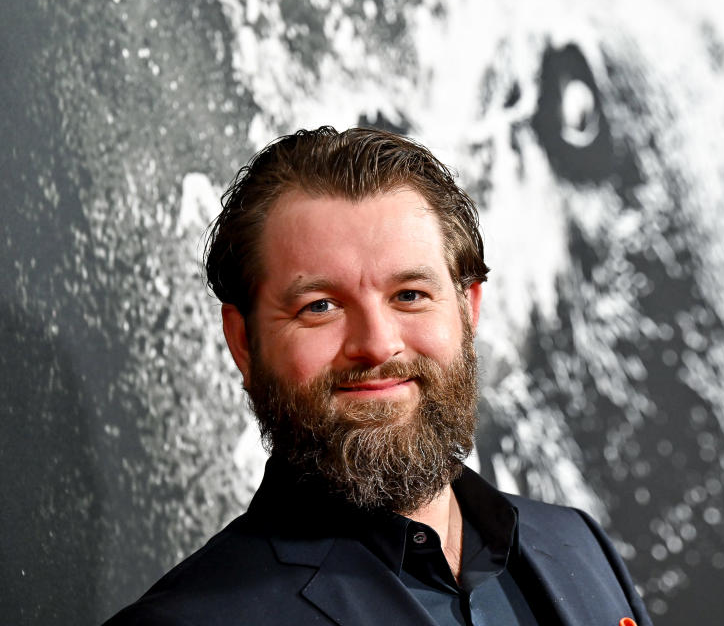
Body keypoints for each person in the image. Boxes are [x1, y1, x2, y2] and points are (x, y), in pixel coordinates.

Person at [104, 126, 652, 626]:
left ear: (468, 309)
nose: (376, 344)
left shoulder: (580, 545)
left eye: (410, 295)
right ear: (244, 342)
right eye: (319, 306)